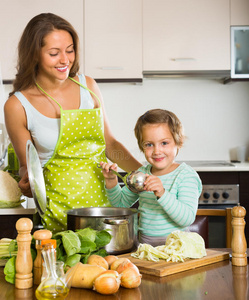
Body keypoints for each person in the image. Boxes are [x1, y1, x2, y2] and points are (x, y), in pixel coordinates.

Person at [4, 13, 141, 233]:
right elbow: (26, 166)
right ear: (34, 55)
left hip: (104, 206)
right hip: (58, 212)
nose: (65, 60)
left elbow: (111, 145)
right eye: (54, 53)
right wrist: (26, 183)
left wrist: (144, 174)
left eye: (70, 50)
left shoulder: (88, 86)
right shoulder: (17, 105)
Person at [100, 109, 202, 246]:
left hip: (176, 247)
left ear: (178, 142)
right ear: (142, 146)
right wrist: (111, 180)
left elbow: (186, 219)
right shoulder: (141, 174)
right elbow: (121, 204)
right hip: (145, 246)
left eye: (164, 143)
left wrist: (162, 193)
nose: (157, 151)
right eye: (149, 144)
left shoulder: (185, 176)